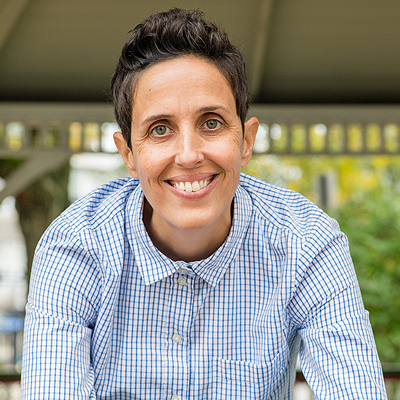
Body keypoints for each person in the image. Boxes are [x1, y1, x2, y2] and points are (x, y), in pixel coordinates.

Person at [21, 8, 387, 400]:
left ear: (246, 141)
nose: (189, 154)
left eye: (211, 122)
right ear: (128, 154)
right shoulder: (76, 246)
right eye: (160, 129)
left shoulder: (307, 242)